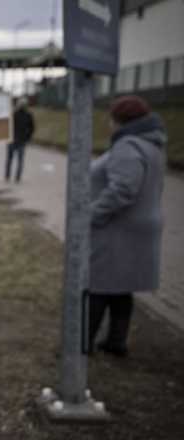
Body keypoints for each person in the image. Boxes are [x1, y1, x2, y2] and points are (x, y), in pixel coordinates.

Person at [87, 95, 166, 358]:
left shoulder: (128, 145)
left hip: (117, 229)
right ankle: (116, 340)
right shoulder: (151, 145)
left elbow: (123, 189)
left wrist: (91, 214)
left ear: (119, 120)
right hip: (136, 228)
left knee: (97, 284)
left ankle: (82, 343)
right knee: (121, 288)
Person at [5, 98, 35, 183]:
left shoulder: (15, 114)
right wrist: (27, 137)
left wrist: (27, 137)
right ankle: (15, 177)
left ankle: (10, 176)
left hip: (15, 140)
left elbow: (31, 128)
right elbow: (32, 128)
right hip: (18, 140)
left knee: (12, 159)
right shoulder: (25, 115)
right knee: (18, 160)